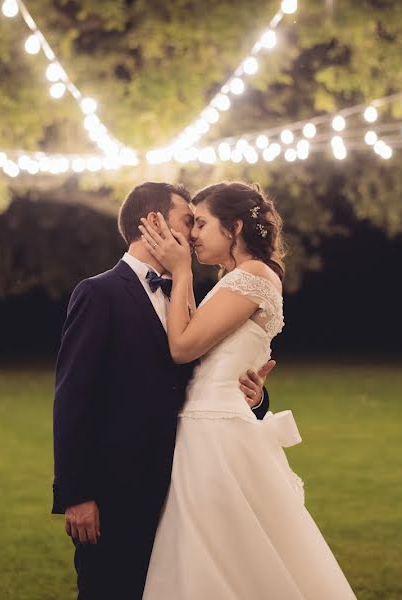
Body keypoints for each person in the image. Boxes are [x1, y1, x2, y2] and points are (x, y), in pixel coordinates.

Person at [51, 182, 276, 599]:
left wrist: (257, 397)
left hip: (186, 481)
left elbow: (213, 377)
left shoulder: (190, 297)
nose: (192, 234)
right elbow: (72, 398)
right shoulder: (99, 293)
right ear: (153, 222)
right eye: (187, 220)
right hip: (117, 490)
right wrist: (77, 494)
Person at [138, 181, 356, 599]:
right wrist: (256, 395)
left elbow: (182, 347)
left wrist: (181, 271)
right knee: (223, 553)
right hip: (213, 422)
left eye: (201, 223)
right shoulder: (236, 279)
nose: (192, 235)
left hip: (214, 431)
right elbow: (200, 341)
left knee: (221, 554)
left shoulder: (251, 276)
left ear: (234, 227)